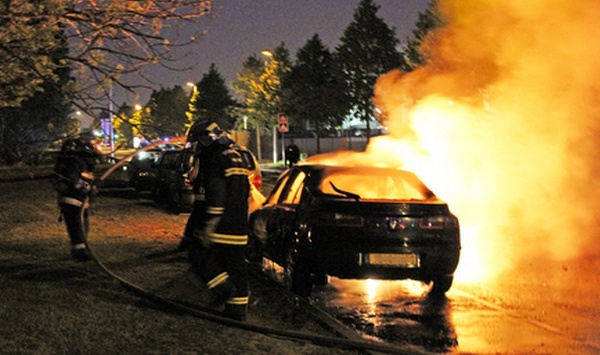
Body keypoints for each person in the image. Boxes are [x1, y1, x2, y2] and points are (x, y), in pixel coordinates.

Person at [184, 120, 251, 321]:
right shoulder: (236, 156)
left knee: (199, 255)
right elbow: (244, 191)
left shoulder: (214, 158)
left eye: (198, 141)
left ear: (206, 139)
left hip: (222, 224)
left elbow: (217, 192)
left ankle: (222, 289)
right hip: (239, 224)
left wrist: (211, 224)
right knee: (236, 266)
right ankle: (237, 310)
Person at [53, 130, 101, 261]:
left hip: (79, 199)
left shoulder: (80, 163)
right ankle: (79, 250)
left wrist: (90, 184)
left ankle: (82, 248)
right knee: (76, 225)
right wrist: (86, 187)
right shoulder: (73, 162)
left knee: (82, 225)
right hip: (72, 198)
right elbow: (73, 180)